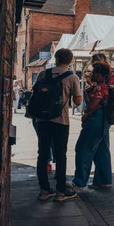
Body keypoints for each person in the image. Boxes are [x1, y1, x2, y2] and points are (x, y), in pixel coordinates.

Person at [34, 48, 82, 202]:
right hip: (61, 121)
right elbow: (78, 101)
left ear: (55, 58)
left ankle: (44, 190)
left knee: (42, 154)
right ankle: (61, 191)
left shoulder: (43, 74)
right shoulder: (72, 77)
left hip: (42, 120)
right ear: (70, 61)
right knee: (61, 155)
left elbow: (36, 94)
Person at [69, 62, 113, 190]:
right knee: (102, 151)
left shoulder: (100, 88)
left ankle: (79, 181)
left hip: (95, 121)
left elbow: (92, 105)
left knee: (83, 149)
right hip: (104, 122)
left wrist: (87, 95)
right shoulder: (106, 87)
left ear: (99, 75)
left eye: (93, 72)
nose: (91, 75)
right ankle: (104, 180)